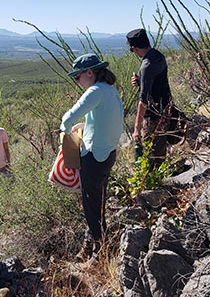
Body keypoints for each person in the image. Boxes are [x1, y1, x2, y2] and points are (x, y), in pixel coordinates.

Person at [61, 53, 124, 263]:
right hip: (108, 154)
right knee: (98, 201)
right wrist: (85, 126)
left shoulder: (95, 91)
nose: (77, 82)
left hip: (95, 157)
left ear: (90, 73)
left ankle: (100, 252)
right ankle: (92, 243)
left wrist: (65, 129)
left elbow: (68, 117)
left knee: (91, 205)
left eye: (77, 77)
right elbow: (101, 119)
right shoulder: (110, 91)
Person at [127, 28, 172, 168]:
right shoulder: (158, 55)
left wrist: (136, 128)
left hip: (153, 115)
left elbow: (143, 101)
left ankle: (156, 185)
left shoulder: (146, 65)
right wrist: (140, 80)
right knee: (160, 149)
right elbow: (157, 80)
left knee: (150, 154)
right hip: (165, 108)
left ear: (134, 48)